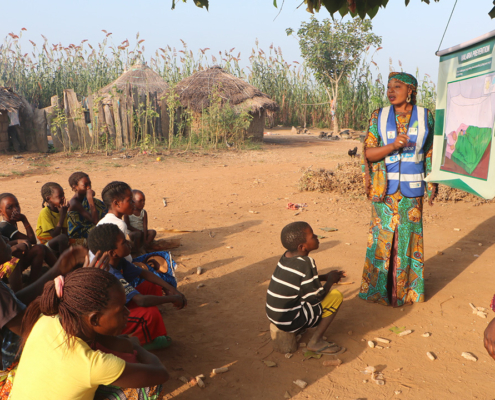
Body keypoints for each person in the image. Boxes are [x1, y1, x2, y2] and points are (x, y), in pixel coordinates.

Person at [10, 267, 169, 400]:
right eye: (121, 309)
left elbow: (102, 337)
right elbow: (161, 374)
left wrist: (121, 343)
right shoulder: (93, 365)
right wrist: (137, 347)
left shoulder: (48, 319)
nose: (128, 312)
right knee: (148, 387)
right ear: (94, 319)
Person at [360, 72, 436, 307]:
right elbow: (369, 153)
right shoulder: (379, 116)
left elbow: (432, 152)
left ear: (410, 90)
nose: (391, 91)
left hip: (412, 192)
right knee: (382, 239)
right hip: (385, 191)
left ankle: (408, 292)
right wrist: (392, 146)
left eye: (397, 87)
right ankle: (377, 291)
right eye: (389, 87)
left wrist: (433, 183)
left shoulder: (426, 117)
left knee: (408, 239)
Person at [0, 237, 107, 398]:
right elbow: (38, 334)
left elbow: (16, 302)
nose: (5, 239)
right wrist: (82, 288)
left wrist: (59, 268)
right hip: (14, 372)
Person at [88, 224, 187, 350]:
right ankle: (140, 344)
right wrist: (172, 298)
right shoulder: (110, 273)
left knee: (150, 285)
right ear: (113, 252)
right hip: (106, 320)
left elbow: (144, 273)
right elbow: (141, 300)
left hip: (118, 304)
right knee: (150, 313)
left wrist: (172, 289)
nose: (129, 243)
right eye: (124, 242)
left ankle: (146, 327)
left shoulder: (118, 261)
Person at [266, 221, 346, 355]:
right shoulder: (306, 263)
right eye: (313, 236)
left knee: (307, 299)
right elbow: (317, 297)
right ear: (302, 247)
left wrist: (324, 277)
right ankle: (316, 341)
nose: (317, 237)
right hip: (289, 320)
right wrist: (330, 281)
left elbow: (299, 280)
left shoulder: (286, 256)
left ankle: (302, 326)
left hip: (274, 315)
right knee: (336, 296)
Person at [0, 193, 56, 283]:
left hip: (14, 264)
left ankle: (59, 270)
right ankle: (33, 282)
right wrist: (24, 220)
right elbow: (32, 240)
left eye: (17, 205)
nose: (15, 210)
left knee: (41, 248)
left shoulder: (11, 223)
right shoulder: (6, 226)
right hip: (8, 269)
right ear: (1, 212)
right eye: (9, 207)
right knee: (39, 249)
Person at [98, 181, 142, 259]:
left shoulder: (101, 222)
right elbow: (118, 257)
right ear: (117, 203)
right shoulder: (119, 224)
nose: (133, 203)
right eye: (130, 200)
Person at [67, 171, 107, 244]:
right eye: (85, 185)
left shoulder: (85, 199)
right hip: (78, 234)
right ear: (75, 187)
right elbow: (95, 221)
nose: (89, 187)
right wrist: (90, 198)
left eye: (89, 184)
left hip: (88, 228)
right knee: (102, 231)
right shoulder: (74, 202)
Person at [35, 182, 70, 254]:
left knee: (80, 241)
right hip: (45, 245)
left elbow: (65, 232)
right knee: (62, 238)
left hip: (57, 242)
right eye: (60, 196)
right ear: (49, 198)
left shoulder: (62, 210)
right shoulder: (45, 212)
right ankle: (63, 262)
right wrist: (62, 216)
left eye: (63, 194)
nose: (63, 197)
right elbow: (54, 235)